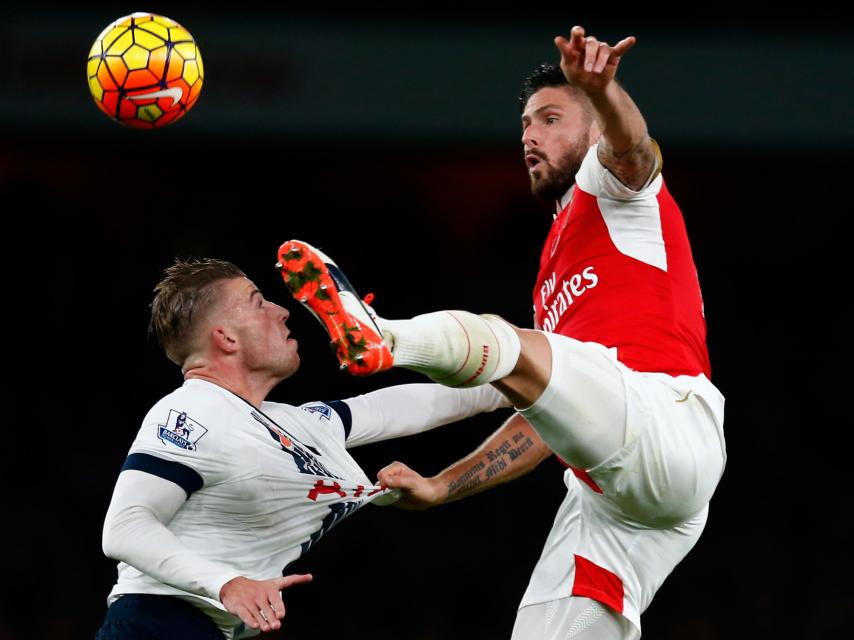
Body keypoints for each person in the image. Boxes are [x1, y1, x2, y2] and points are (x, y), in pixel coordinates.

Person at [276, 25, 726, 640]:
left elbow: (637, 149)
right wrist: (441, 486)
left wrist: (604, 89)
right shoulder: (553, 275)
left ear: (594, 131)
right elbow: (542, 421)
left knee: (508, 342)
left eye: (549, 119)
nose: (529, 138)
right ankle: (387, 340)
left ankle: (385, 337)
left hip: (667, 421)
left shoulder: (615, 190)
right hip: (619, 498)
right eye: (524, 126)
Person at [95, 258, 511, 639]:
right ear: (225, 338)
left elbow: (404, 406)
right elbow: (125, 527)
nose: (282, 311)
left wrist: (523, 372)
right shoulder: (191, 410)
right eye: (259, 303)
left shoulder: (293, 424)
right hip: (154, 623)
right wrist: (227, 584)